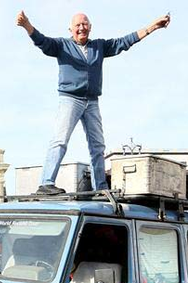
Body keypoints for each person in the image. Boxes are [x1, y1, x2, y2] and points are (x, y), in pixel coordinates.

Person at [16, 10, 171, 194]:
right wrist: (27, 26)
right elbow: (42, 41)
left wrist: (153, 27)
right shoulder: (61, 45)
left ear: (90, 27)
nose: (81, 27)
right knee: (60, 140)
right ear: (70, 29)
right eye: (78, 25)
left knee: (97, 146)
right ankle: (46, 183)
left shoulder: (99, 46)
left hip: (92, 102)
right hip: (70, 99)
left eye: (85, 24)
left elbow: (124, 42)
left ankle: (101, 187)